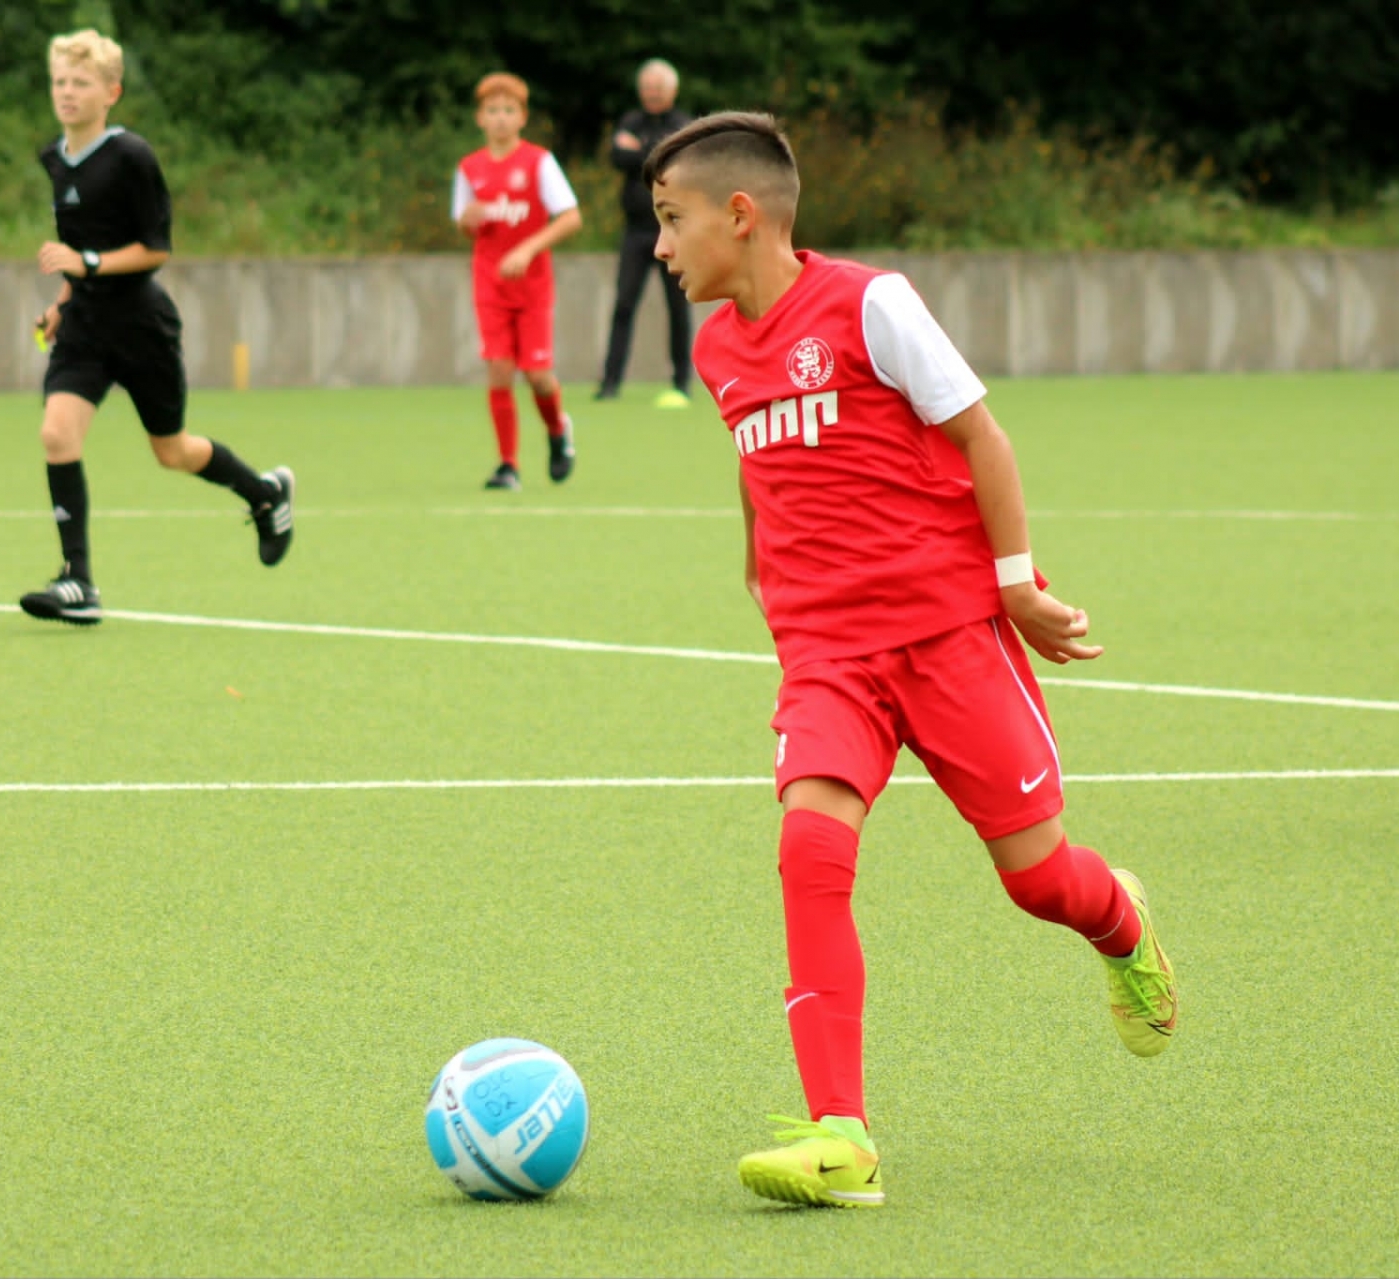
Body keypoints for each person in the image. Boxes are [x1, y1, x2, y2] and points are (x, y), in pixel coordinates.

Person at [642, 112, 1180, 1208]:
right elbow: (757, 454)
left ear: (739, 215)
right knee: (808, 848)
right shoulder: (713, 350)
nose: (658, 246)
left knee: (1039, 880)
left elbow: (983, 435)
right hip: (827, 657)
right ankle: (843, 1137)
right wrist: (757, 558)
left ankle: (1120, 921)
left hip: (947, 636)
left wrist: (1016, 583)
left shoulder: (871, 304)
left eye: (669, 219)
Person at [22, 28, 293, 626]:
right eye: (60, 81)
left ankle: (264, 493)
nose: (67, 92)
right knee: (57, 435)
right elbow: (79, 245)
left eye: (81, 82)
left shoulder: (132, 157)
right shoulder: (53, 158)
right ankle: (78, 581)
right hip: (85, 325)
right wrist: (62, 301)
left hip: (142, 326)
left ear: (111, 93)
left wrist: (87, 264)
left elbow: (155, 249)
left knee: (172, 451)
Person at [453, 72, 583, 491]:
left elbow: (571, 217)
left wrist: (528, 250)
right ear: (480, 117)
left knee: (538, 375)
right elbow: (464, 223)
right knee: (499, 370)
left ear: (522, 117)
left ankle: (558, 429)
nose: (500, 118)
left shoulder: (538, 162)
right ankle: (508, 465)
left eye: (508, 110)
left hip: (532, 287)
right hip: (490, 285)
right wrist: (468, 221)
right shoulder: (470, 168)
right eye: (492, 110)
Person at [597, 59, 695, 407]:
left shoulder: (683, 125)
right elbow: (618, 157)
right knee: (623, 305)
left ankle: (682, 382)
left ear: (672, 90)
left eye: (658, 87)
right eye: (647, 87)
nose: (652, 93)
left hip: (673, 232)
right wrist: (651, 151)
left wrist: (638, 150)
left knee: (677, 307)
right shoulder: (630, 121)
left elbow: (674, 161)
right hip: (635, 232)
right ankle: (610, 383)